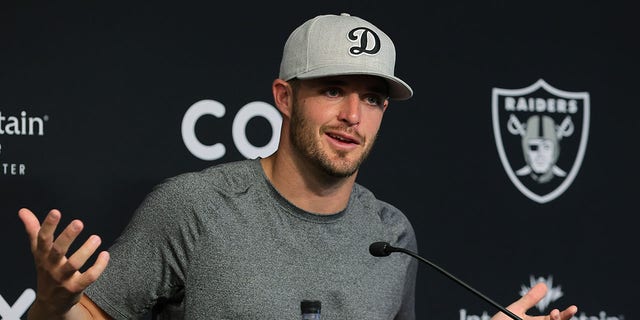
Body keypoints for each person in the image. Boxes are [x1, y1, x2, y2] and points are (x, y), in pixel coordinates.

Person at [18, 13, 578, 320]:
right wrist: (49, 305)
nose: (353, 115)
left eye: (374, 98)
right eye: (333, 90)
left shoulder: (392, 233)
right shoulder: (194, 207)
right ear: (284, 97)